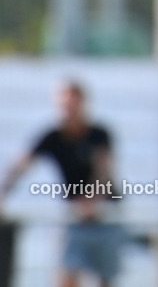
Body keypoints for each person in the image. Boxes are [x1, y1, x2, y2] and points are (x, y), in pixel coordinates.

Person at [0, 80, 122, 287]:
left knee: (105, 279)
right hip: (75, 217)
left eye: (73, 105)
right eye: (64, 106)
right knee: (67, 275)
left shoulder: (99, 135)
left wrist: (92, 200)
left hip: (104, 216)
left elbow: (105, 171)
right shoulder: (53, 137)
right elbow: (21, 166)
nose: (69, 111)